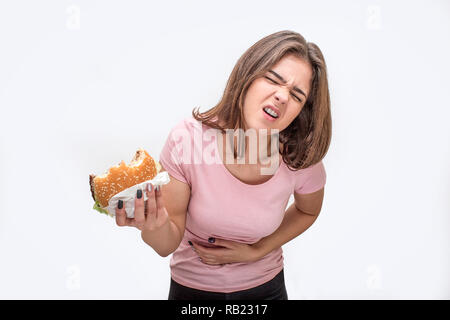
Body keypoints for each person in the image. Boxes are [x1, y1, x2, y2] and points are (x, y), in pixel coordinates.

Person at [115, 30, 332, 300]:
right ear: (247, 76)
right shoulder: (188, 141)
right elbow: (165, 244)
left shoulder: (299, 157)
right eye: (273, 80)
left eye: (297, 95)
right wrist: (153, 225)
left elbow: (307, 211)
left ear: (302, 111)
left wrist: (258, 250)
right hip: (191, 292)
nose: (282, 96)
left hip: (267, 290)